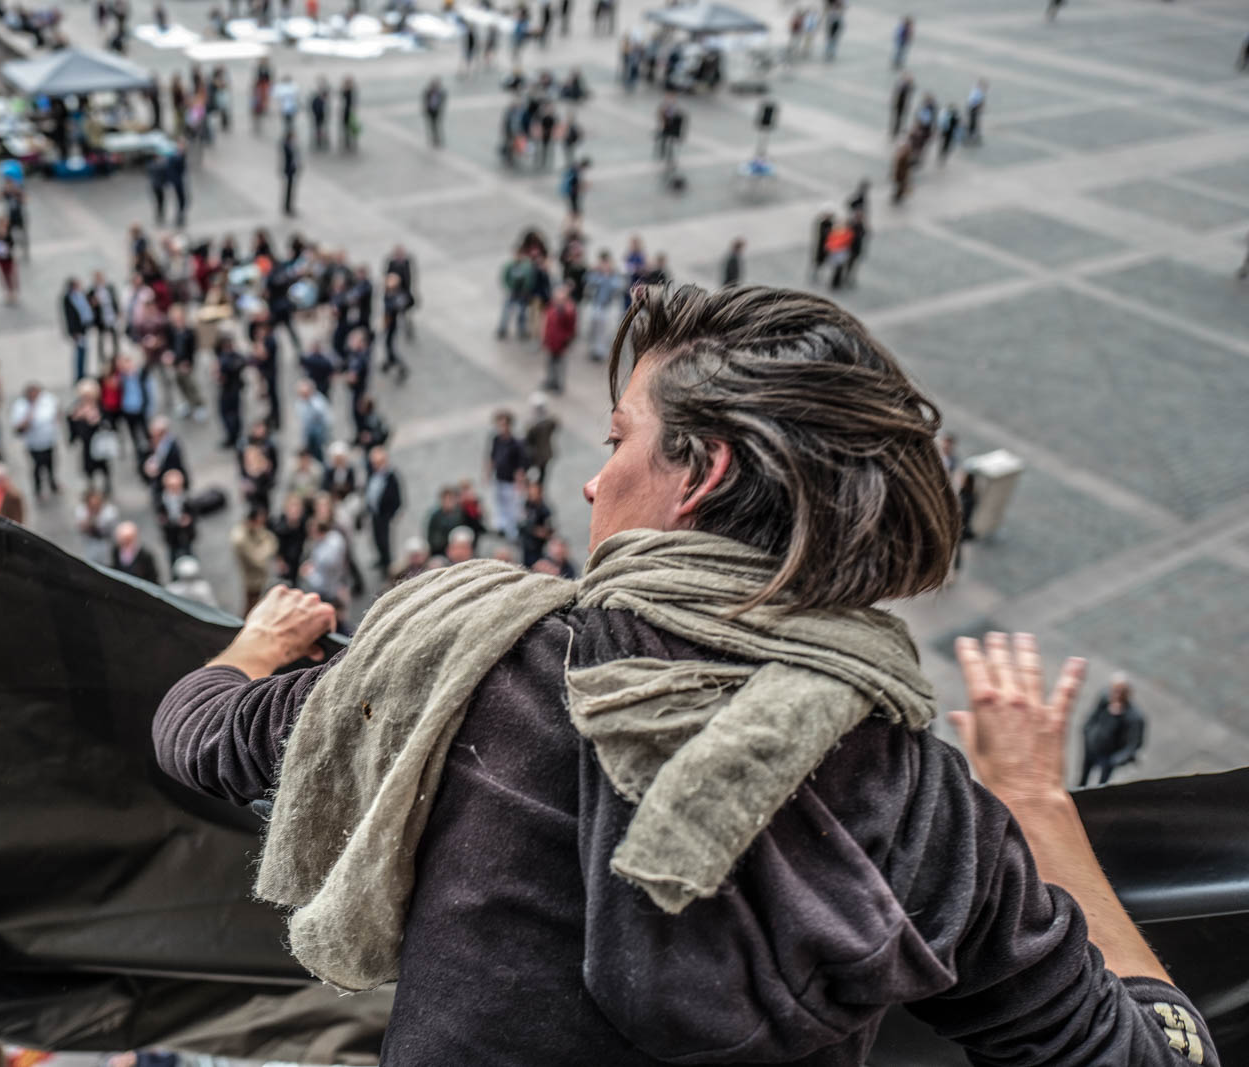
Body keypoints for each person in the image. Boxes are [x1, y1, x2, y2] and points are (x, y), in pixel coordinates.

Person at [153, 283, 1221, 1067]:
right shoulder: (930, 806)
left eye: (617, 434)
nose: (587, 476)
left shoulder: (475, 672)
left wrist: (255, 645)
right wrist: (1034, 803)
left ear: (697, 471)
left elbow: (197, 732)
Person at [1079, 673, 1146, 787]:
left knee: (1102, 784)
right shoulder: (1105, 699)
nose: (1116, 695)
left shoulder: (1134, 717)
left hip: (1108, 757)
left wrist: (1115, 760)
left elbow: (1134, 744)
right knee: (1083, 776)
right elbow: (1093, 717)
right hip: (1092, 748)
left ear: (1128, 693)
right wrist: (1087, 732)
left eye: (1121, 691)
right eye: (1114, 690)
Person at [11, 382, 60, 497]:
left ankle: (52, 484)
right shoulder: (21, 406)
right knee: (37, 467)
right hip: (33, 444)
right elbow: (18, 427)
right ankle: (38, 489)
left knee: (50, 464)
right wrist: (29, 417)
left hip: (49, 441)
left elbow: (56, 410)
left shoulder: (47, 399)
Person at [486, 409, 528, 538]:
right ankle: (501, 526)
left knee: (512, 507)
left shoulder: (516, 443)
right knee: (499, 503)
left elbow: (521, 465)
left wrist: (519, 482)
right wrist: (488, 472)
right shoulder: (496, 439)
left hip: (511, 481)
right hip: (499, 477)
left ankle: (512, 532)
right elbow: (492, 457)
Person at [232, 505, 280, 613]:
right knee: (252, 605)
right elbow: (259, 560)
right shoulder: (240, 539)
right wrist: (269, 545)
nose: (261, 526)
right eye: (259, 522)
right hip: (252, 579)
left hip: (257, 577)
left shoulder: (251, 529)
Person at [365, 445, 403, 572]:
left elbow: (397, 498)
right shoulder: (372, 473)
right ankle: (381, 559)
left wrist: (392, 514)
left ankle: (387, 563)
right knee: (377, 538)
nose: (376, 465)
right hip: (375, 513)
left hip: (385, 514)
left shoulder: (391, 476)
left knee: (385, 540)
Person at [541, 281, 578, 393]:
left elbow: (571, 328)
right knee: (550, 363)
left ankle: (559, 385)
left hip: (561, 342)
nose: (557, 299)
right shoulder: (552, 306)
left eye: (560, 297)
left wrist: (567, 341)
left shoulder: (568, 310)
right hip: (551, 341)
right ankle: (550, 381)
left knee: (560, 365)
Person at [155, 468, 195, 565]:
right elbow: (160, 516)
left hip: (185, 533)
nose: (175, 490)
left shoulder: (185, 498)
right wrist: (165, 521)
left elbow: (193, 513)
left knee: (189, 554)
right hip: (171, 533)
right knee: (173, 556)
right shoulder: (162, 500)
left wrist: (188, 520)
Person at [422, 78, 446, 148]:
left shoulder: (440, 92)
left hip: (437, 111)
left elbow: (442, 101)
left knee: (436, 125)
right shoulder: (428, 92)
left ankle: (437, 139)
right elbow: (425, 101)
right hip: (431, 111)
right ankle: (434, 139)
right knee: (432, 126)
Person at [281, 130, 300, 217]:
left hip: (291, 171)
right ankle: (287, 207)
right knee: (288, 190)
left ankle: (288, 206)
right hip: (289, 171)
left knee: (290, 190)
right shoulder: (287, 146)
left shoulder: (289, 145)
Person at [890, 73, 914, 137]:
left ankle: (896, 131)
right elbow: (897, 94)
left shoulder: (907, 86)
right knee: (897, 118)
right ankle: (895, 132)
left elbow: (912, 89)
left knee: (900, 119)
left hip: (903, 105)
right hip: (899, 104)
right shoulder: (902, 85)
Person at [340, 76, 359, 152]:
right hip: (347, 111)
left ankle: (350, 142)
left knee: (352, 128)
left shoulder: (351, 91)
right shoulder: (347, 91)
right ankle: (347, 142)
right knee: (347, 128)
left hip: (349, 111)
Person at [966, 79, 988, 144]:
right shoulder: (978, 92)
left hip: (972, 107)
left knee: (973, 121)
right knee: (973, 122)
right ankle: (971, 135)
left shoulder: (976, 91)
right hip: (973, 108)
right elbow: (977, 101)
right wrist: (979, 107)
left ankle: (971, 134)